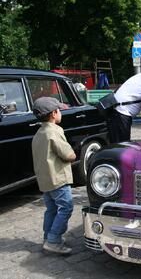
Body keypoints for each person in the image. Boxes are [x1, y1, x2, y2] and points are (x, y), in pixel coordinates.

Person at [32, 97, 76, 254]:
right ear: (53, 114)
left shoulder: (39, 132)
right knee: (66, 208)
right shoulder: (54, 131)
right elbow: (69, 155)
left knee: (51, 209)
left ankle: (47, 237)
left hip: (45, 180)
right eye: (59, 110)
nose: (60, 113)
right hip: (58, 179)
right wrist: (73, 153)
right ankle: (53, 240)